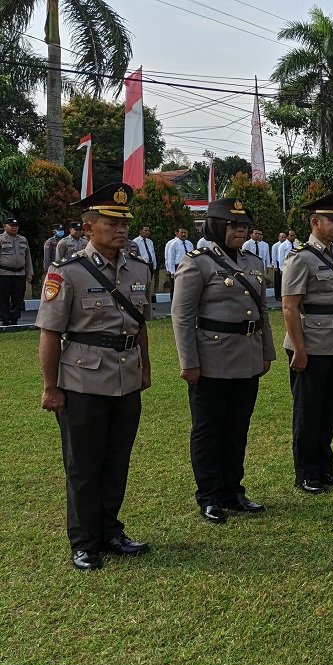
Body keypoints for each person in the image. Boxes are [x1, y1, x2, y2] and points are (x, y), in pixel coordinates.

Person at [36, 183, 153, 570]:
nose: (121, 230)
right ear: (88, 228)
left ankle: (110, 531)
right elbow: (50, 333)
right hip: (82, 382)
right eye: (111, 223)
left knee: (117, 461)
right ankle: (84, 542)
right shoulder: (66, 272)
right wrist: (50, 387)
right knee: (83, 465)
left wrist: (145, 368)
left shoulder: (138, 268)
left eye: (124, 223)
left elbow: (140, 326)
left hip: (126, 378)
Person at [171, 198, 275, 524]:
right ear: (215, 226)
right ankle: (210, 496)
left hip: (247, 356)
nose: (240, 230)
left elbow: (262, 312)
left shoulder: (253, 262)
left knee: (237, 428)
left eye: (243, 225)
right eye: (233, 225)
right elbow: (182, 316)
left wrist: (267, 352)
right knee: (209, 430)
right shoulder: (197, 263)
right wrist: (189, 362)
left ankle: (232, 490)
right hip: (212, 360)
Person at [281, 192, 333, 494]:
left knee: (329, 409)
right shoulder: (301, 257)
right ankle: (307, 473)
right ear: (315, 223)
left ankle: (325, 467)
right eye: (331, 219)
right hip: (311, 344)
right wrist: (299, 349)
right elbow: (289, 307)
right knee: (308, 411)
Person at [0, 217, 33, 325]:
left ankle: (15, 318)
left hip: (20, 273)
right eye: (12, 226)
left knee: (18, 297)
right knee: (3, 297)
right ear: (5, 226)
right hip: (4, 273)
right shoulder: (1, 239)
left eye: (16, 226)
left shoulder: (23, 239)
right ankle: (4, 318)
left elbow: (28, 257)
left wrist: (29, 273)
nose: (15, 228)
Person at [164, 225, 193, 297]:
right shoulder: (173, 244)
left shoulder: (189, 244)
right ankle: (173, 302)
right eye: (181, 233)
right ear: (177, 233)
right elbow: (171, 258)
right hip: (178, 267)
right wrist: (172, 272)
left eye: (185, 233)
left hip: (188, 267)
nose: (183, 234)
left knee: (187, 286)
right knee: (175, 288)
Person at [132, 225, 160, 293]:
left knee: (149, 282)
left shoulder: (150, 241)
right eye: (145, 230)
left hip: (150, 265)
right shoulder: (135, 241)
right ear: (140, 231)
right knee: (142, 282)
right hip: (141, 265)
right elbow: (134, 255)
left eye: (148, 231)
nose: (147, 232)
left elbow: (153, 253)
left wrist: (154, 265)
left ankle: (148, 295)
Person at [271, 231, 289, 300]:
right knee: (278, 280)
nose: (283, 238)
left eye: (285, 237)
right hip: (278, 263)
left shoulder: (287, 245)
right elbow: (274, 256)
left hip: (285, 263)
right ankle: (277, 295)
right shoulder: (276, 245)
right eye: (282, 237)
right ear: (278, 238)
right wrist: (275, 266)